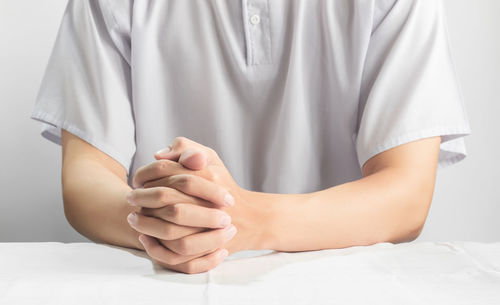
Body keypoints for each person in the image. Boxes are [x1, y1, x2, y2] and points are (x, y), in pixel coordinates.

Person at [31, 0, 471, 274]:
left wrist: (238, 220)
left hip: (343, 285)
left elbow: (407, 196)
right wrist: (164, 227)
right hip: (163, 285)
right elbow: (85, 176)